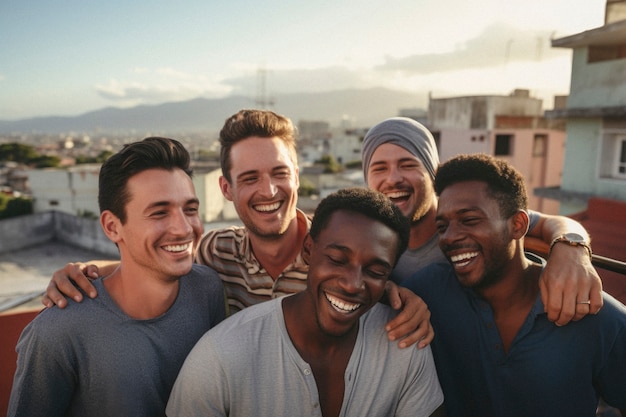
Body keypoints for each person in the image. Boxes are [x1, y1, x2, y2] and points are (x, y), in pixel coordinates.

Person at [42, 109, 431, 348]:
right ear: (226, 188)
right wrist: (84, 271)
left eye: (280, 173)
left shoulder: (339, 253)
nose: (269, 191)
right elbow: (155, 261)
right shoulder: (215, 252)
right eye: (250, 178)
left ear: (297, 176)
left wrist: (402, 298)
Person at [166, 187, 445, 417]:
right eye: (336, 260)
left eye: (375, 271)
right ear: (309, 250)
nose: (352, 283)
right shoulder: (220, 356)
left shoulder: (405, 347)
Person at [8, 137, 225, 416]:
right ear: (112, 227)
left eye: (190, 210)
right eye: (159, 213)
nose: (183, 228)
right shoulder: (57, 333)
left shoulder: (208, 289)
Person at [401, 153, 626, 416]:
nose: (449, 237)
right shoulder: (429, 292)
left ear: (518, 225)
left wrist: (573, 246)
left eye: (470, 220)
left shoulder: (594, 313)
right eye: (442, 226)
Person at [361, 117, 603, 325]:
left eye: (407, 165)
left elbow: (553, 223)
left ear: (432, 173)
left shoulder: (467, 217)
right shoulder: (367, 237)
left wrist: (572, 252)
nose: (393, 179)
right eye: (379, 169)